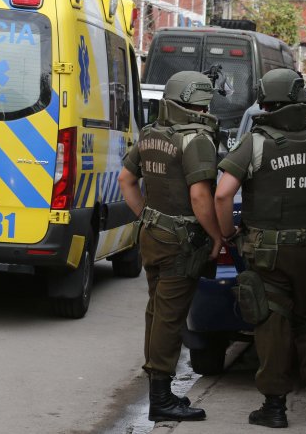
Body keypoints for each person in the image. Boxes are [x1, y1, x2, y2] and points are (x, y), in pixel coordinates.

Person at [214, 68, 306, 428]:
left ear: (266, 102)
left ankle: (274, 409)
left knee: (272, 324)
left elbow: (223, 193)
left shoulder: (255, 143)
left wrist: (229, 235)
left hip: (268, 253)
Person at [117, 71, 224, 422]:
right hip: (182, 240)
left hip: (152, 234)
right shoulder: (196, 139)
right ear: (199, 100)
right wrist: (218, 235)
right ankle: (162, 398)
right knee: (169, 316)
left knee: (156, 311)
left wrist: (145, 215)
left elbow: (126, 179)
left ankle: (157, 386)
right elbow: (200, 196)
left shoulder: (150, 134)